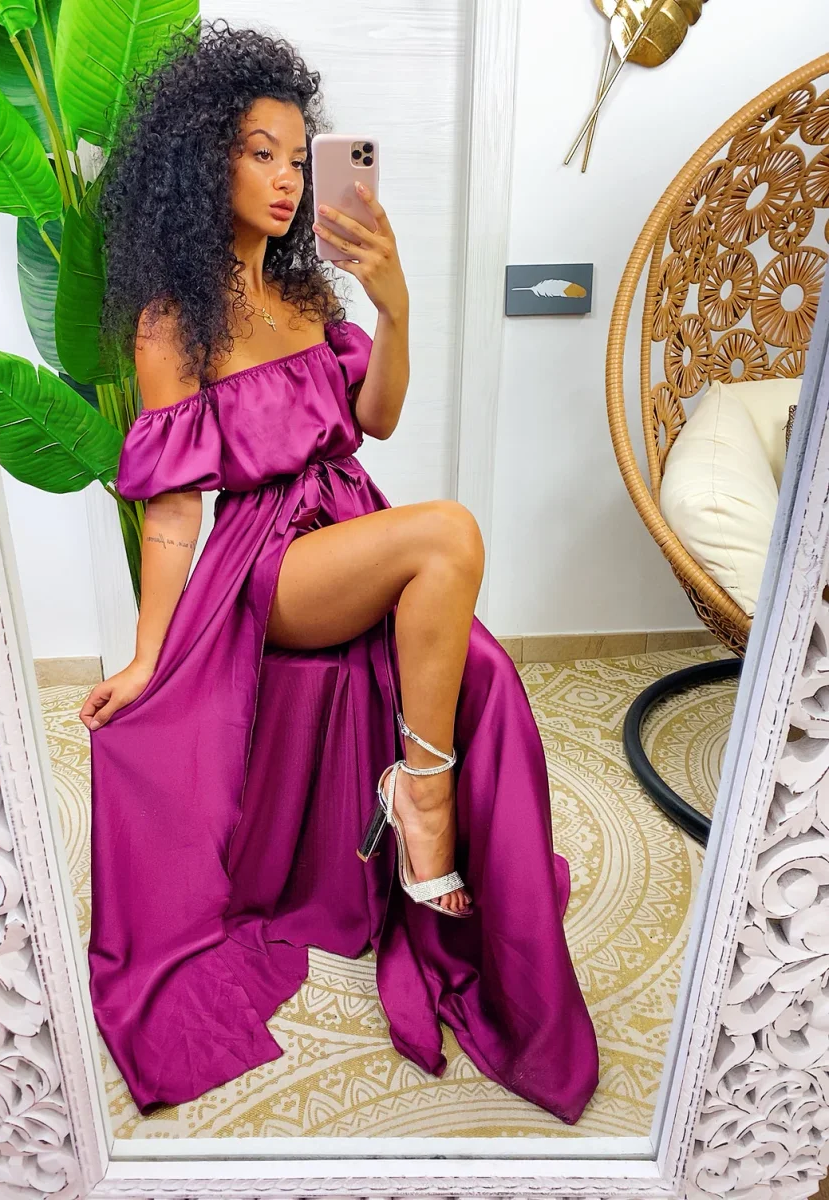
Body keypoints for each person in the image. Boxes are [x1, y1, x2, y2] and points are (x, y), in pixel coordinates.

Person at [81, 20, 598, 1124]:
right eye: (257, 152)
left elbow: (378, 418)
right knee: (448, 532)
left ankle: (444, 825)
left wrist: (397, 304)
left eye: (295, 156)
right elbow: (174, 505)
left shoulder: (314, 300)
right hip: (267, 564)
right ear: (203, 163)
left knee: (485, 668)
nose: (285, 177)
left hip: (349, 529)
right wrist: (146, 656)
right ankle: (421, 799)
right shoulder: (173, 323)